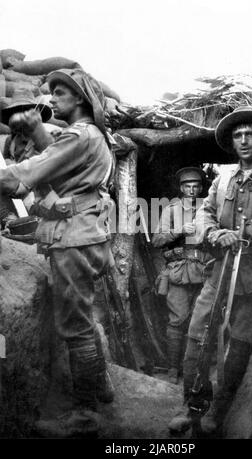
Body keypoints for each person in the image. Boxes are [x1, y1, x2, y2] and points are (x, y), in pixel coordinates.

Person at [0, 68, 116, 437]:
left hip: (74, 239)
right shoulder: (90, 135)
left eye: (59, 93)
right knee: (85, 316)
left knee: (75, 327)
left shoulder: (78, 136)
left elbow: (22, 176)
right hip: (86, 234)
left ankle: (85, 415)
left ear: (80, 98)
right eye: (49, 93)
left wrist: (17, 176)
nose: (51, 100)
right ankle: (99, 388)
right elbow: (60, 186)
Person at [169, 105, 252, 436]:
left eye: (249, 134)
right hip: (219, 271)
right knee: (198, 336)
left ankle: (219, 413)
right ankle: (194, 409)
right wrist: (214, 233)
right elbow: (204, 214)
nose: (243, 140)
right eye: (237, 135)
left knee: (238, 345)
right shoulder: (222, 178)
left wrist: (244, 230)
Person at [152, 167, 213, 384]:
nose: (192, 190)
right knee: (177, 320)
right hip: (178, 271)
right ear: (181, 188)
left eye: (196, 186)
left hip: (204, 270)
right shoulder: (171, 209)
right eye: (187, 186)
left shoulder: (208, 206)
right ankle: (172, 369)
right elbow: (156, 240)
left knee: (201, 321)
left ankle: (194, 370)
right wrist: (179, 230)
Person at [0, 89, 54, 226]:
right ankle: (10, 219)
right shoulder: (10, 141)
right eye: (16, 114)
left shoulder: (44, 137)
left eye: (24, 114)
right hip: (15, 185)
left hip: (38, 188)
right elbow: (6, 163)